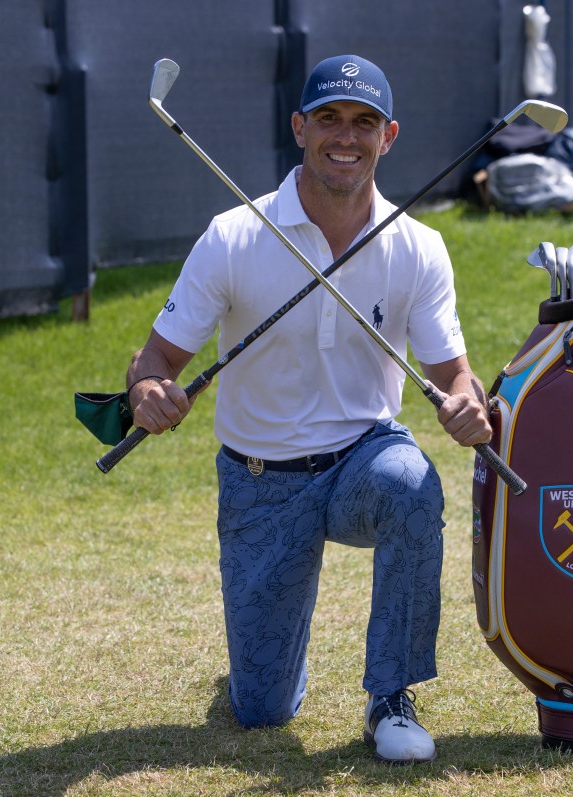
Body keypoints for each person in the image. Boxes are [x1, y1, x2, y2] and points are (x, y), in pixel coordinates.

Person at [124, 54, 492, 764]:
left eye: (363, 122)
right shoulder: (233, 235)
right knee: (262, 710)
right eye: (328, 118)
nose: (344, 137)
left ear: (389, 135)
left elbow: (457, 377)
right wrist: (147, 395)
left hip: (365, 459)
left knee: (414, 485)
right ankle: (258, 665)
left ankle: (392, 695)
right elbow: (156, 363)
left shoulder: (418, 246)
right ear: (300, 127)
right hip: (261, 479)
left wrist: (468, 407)